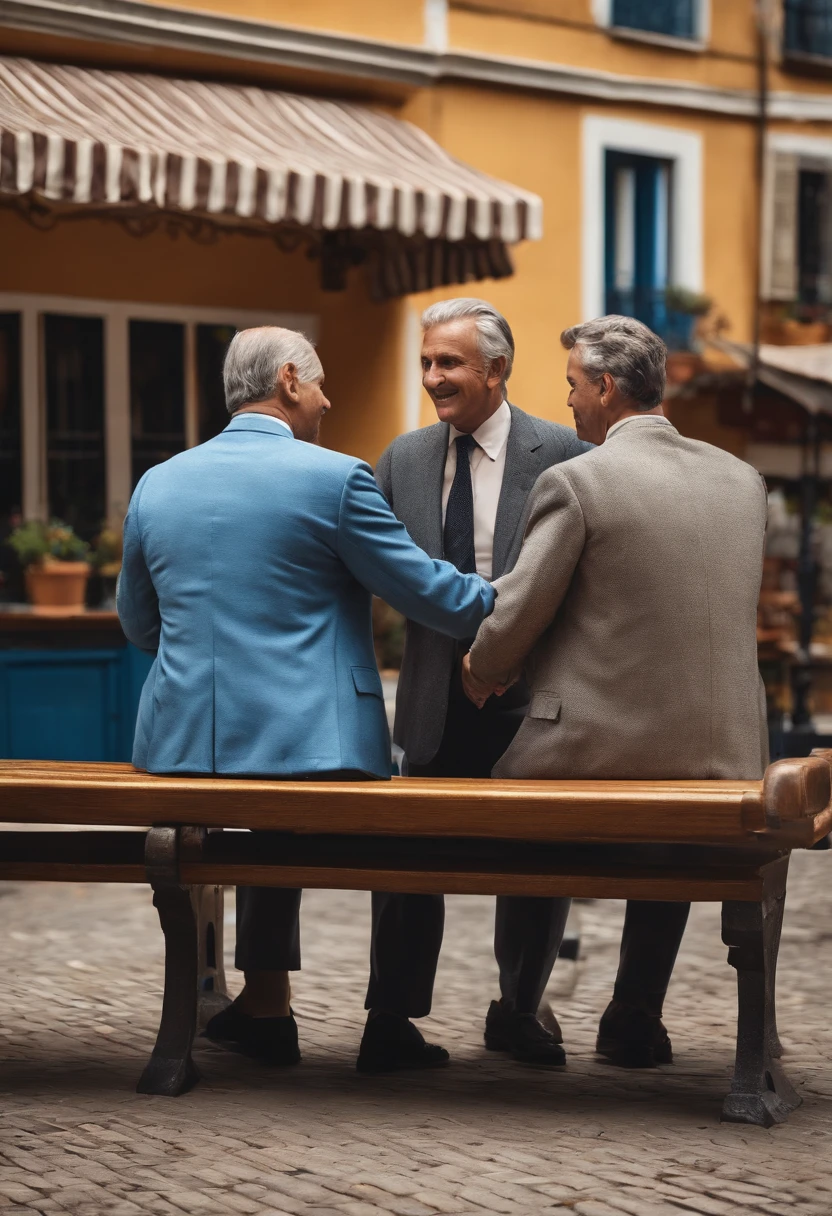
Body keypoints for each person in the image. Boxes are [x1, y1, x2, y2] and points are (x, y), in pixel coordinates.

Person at [117, 326, 495, 1071]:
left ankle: (265, 1004)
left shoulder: (158, 482)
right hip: (311, 745)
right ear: (288, 380)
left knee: (263, 824)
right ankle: (388, 1020)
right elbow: (432, 597)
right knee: (392, 832)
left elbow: (138, 623)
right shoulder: (335, 479)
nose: (327, 400)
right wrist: (522, 595)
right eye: (319, 384)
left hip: (185, 746)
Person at [463, 315, 769, 1067]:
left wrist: (480, 668)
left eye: (571, 386)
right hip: (726, 754)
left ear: (604, 386)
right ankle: (635, 1011)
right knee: (666, 825)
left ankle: (521, 1004)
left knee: (525, 799)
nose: (567, 403)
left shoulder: (577, 480)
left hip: (600, 745)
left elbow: (520, 610)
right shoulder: (743, 481)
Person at [362, 298, 591, 1073]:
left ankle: (520, 1010)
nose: (433, 378)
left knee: (536, 860)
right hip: (431, 697)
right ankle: (390, 1018)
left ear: (497, 369)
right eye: (426, 362)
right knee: (406, 862)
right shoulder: (403, 459)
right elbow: (378, 571)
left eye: (449, 363)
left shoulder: (562, 450)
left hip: (531, 702)